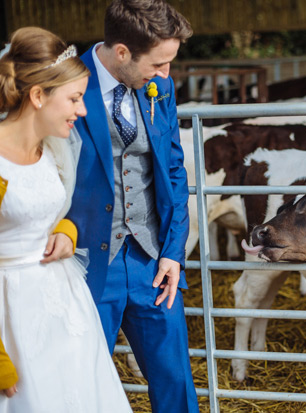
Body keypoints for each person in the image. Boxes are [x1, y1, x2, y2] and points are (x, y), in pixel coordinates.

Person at [65, 1, 198, 411]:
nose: (165, 75)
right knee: (85, 385)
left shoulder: (161, 88)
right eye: (158, 65)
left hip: (152, 263)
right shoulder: (63, 84)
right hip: (86, 263)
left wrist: (173, 253)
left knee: (175, 381)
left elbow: (174, 169)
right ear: (122, 52)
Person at [0, 26, 132, 412]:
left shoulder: (54, 147)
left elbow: (54, 209)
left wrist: (65, 229)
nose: (83, 110)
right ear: (38, 96)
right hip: (12, 312)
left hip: (64, 306)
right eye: (75, 98)